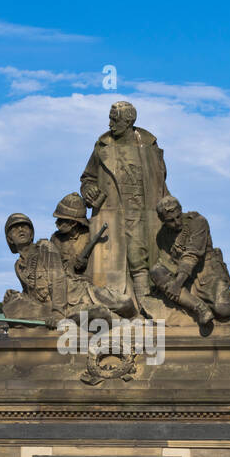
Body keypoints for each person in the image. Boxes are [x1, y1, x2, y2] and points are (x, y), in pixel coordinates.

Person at [79, 101, 171, 310]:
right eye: (110, 118)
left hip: (144, 212)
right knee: (110, 268)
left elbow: (161, 183)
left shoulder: (149, 146)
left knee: (141, 260)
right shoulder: (102, 146)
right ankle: (117, 309)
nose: (110, 124)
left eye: (115, 119)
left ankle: (147, 308)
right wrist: (88, 190)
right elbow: (87, 178)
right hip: (111, 213)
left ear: (129, 121)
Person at [149, 195, 230, 332]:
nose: (177, 222)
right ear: (163, 221)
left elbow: (192, 255)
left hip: (208, 273)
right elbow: (167, 261)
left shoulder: (197, 222)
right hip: (185, 277)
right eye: (170, 221)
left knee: (222, 310)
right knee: (156, 271)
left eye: (178, 217)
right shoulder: (163, 235)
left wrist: (177, 284)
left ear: (181, 210)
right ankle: (201, 309)